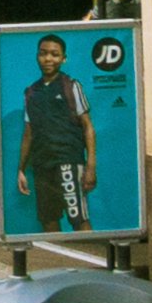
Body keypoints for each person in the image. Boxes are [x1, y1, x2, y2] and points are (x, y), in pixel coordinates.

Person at [18, 29, 96, 231]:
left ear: (64, 59)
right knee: (49, 219)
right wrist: (21, 169)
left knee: (79, 218)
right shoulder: (31, 92)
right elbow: (29, 133)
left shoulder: (71, 86)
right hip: (42, 164)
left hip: (68, 161)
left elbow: (87, 126)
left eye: (54, 54)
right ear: (37, 56)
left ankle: (94, 261)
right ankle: (61, 259)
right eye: (43, 53)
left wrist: (90, 166)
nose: (48, 59)